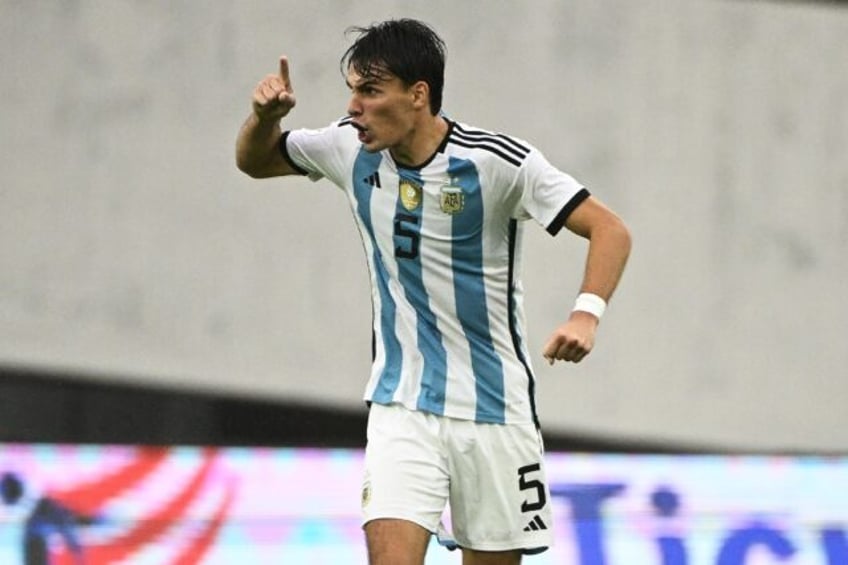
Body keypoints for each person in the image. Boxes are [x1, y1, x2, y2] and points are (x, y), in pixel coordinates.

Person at [236, 18, 631, 565]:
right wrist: (264, 119)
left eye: (370, 91)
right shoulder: (347, 149)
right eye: (352, 89)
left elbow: (610, 229)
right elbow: (255, 161)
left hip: (495, 409)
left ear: (418, 95)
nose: (354, 106)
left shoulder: (497, 163)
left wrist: (586, 315)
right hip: (403, 403)